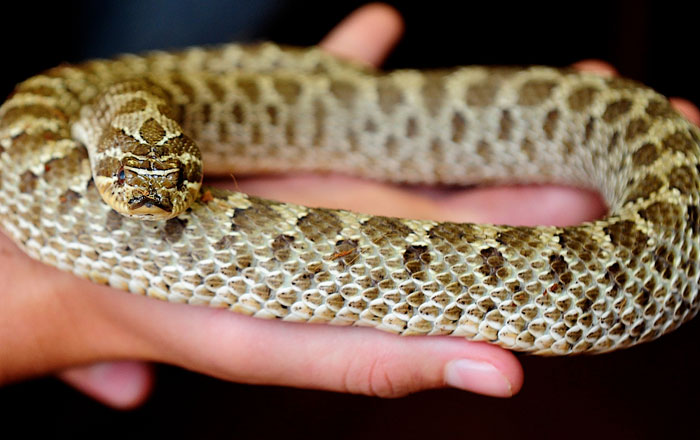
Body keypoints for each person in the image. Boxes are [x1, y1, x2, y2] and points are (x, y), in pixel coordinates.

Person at [1, 3, 698, 409]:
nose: (147, 200)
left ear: (197, 156)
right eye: (121, 176)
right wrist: (43, 310)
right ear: (100, 150)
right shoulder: (67, 121)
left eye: (178, 176)